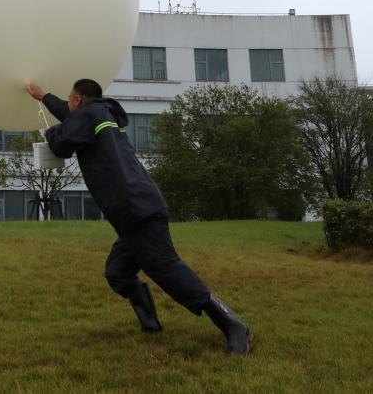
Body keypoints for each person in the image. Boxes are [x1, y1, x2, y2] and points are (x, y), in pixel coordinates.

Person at [25, 78, 254, 355]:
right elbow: (69, 115)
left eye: (70, 100)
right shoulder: (101, 114)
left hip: (136, 209)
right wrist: (44, 96)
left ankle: (233, 325)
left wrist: (50, 133)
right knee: (118, 272)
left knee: (167, 270)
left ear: (79, 100)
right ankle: (150, 324)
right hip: (136, 208)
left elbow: (62, 144)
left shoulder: (88, 115)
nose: (69, 105)